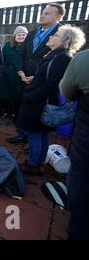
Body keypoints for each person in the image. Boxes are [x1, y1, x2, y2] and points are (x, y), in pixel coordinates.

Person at [17, 25, 84, 176]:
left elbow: (53, 85)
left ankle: (33, 164)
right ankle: (39, 163)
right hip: (40, 100)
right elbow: (49, 76)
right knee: (41, 133)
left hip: (40, 103)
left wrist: (29, 97)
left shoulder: (62, 57)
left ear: (65, 40)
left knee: (35, 134)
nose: (50, 37)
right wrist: (36, 78)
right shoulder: (56, 54)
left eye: (56, 35)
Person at [9, 3, 65, 144]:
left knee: (36, 112)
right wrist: (20, 71)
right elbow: (22, 55)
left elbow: (58, 60)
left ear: (58, 16)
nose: (42, 15)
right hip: (23, 77)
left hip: (41, 81)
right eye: (42, 13)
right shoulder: (33, 33)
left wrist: (36, 76)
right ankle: (22, 134)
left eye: (47, 13)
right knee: (22, 106)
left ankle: (33, 141)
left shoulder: (61, 35)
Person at [59, 28, 88, 239]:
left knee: (81, 178)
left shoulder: (82, 60)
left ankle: (77, 229)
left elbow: (67, 91)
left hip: (86, 140)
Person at [0, 26, 28, 119]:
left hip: (19, 75)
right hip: (6, 74)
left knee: (17, 95)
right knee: (4, 94)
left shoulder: (28, 47)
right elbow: (2, 59)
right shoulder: (7, 46)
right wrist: (2, 70)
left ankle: (15, 112)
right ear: (15, 36)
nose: (21, 36)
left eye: (24, 35)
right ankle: (3, 110)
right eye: (19, 34)